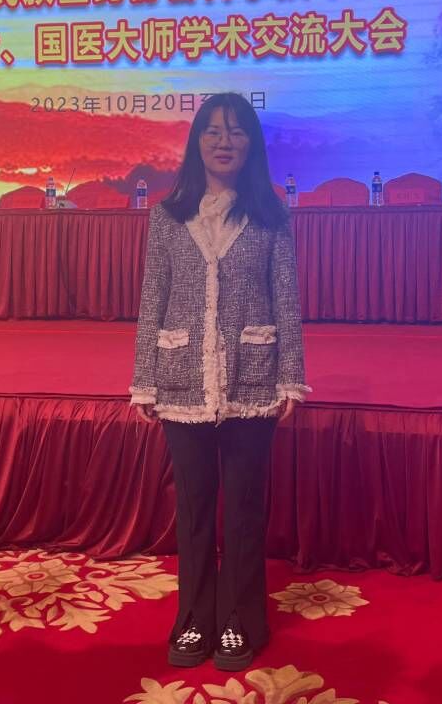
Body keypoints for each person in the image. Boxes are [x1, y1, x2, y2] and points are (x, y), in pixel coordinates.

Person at [131, 92, 308, 673]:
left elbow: (286, 301)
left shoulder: (271, 215)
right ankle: (193, 617)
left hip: (252, 378)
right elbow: (153, 300)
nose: (224, 142)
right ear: (197, 141)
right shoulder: (167, 215)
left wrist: (291, 377)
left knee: (245, 508)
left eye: (235, 131)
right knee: (195, 509)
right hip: (181, 377)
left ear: (251, 143)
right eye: (212, 130)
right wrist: (144, 380)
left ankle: (240, 618)